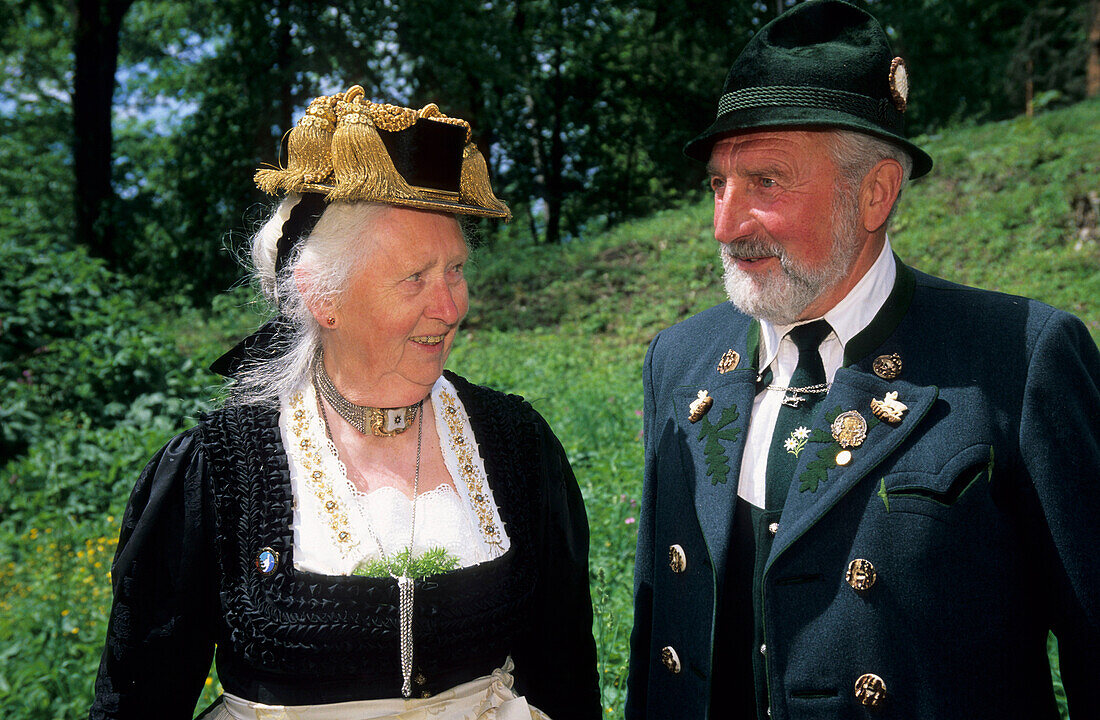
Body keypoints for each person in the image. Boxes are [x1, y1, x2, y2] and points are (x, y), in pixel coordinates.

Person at [626, 1, 1100, 718]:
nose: (725, 225)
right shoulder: (681, 359)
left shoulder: (1018, 359)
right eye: (718, 184)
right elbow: (657, 648)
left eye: (766, 182)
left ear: (875, 192)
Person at [89, 86, 600, 720]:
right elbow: (138, 699)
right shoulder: (222, 468)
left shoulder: (514, 444)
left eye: (455, 270)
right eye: (414, 277)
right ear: (320, 297)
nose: (450, 307)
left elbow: (566, 673)